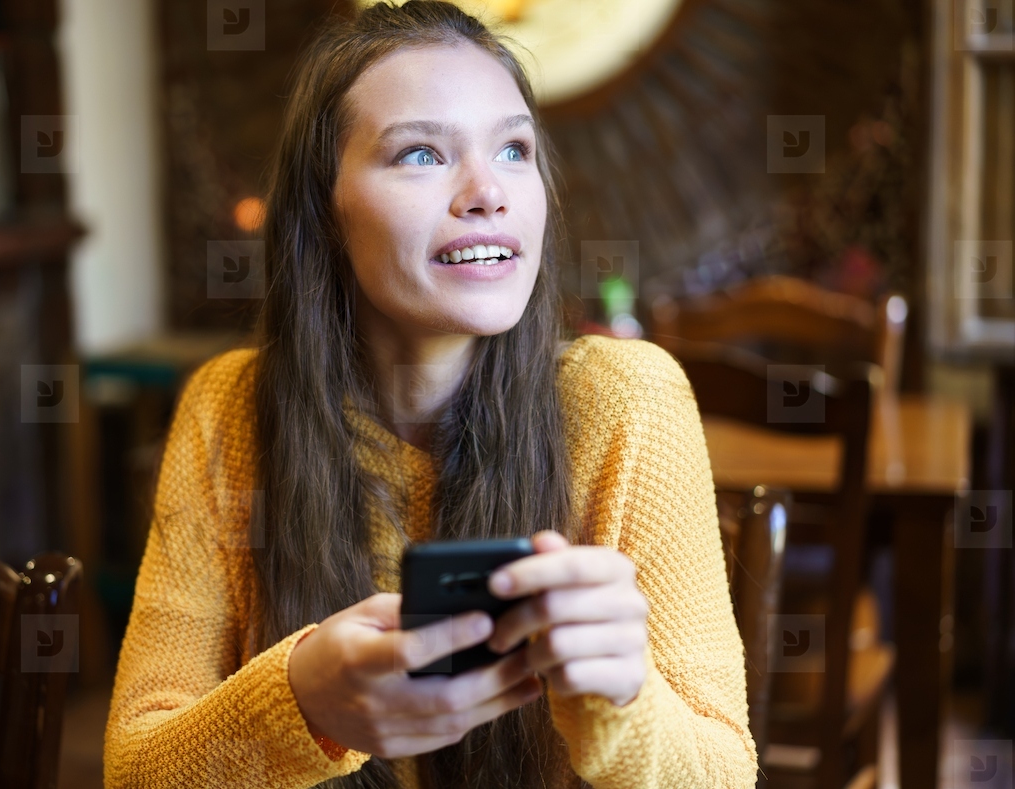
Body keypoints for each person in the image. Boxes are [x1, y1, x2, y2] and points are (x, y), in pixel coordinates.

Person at [103, 2, 758, 787]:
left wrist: (618, 698)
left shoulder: (628, 398)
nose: (489, 191)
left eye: (514, 148)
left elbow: (725, 772)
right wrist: (301, 704)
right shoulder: (229, 407)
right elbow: (133, 770)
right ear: (325, 210)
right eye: (420, 154)